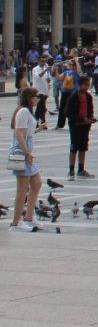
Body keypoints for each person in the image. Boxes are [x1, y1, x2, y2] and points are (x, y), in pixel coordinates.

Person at [8, 87, 42, 232]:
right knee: (22, 189)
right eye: (36, 96)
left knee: (36, 183)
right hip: (19, 151)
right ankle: (16, 223)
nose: (38, 99)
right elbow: (18, 133)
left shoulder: (26, 111)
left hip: (23, 149)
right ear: (30, 98)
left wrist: (38, 129)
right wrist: (27, 153)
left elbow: (25, 131)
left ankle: (29, 217)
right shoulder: (23, 111)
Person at [67, 74, 96, 179]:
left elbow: (90, 110)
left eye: (88, 85)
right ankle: (71, 170)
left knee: (83, 148)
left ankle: (81, 169)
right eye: (85, 85)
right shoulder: (73, 97)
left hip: (85, 126)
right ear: (79, 85)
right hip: (75, 125)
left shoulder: (88, 97)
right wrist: (80, 119)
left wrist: (91, 118)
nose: (86, 87)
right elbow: (68, 112)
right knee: (74, 147)